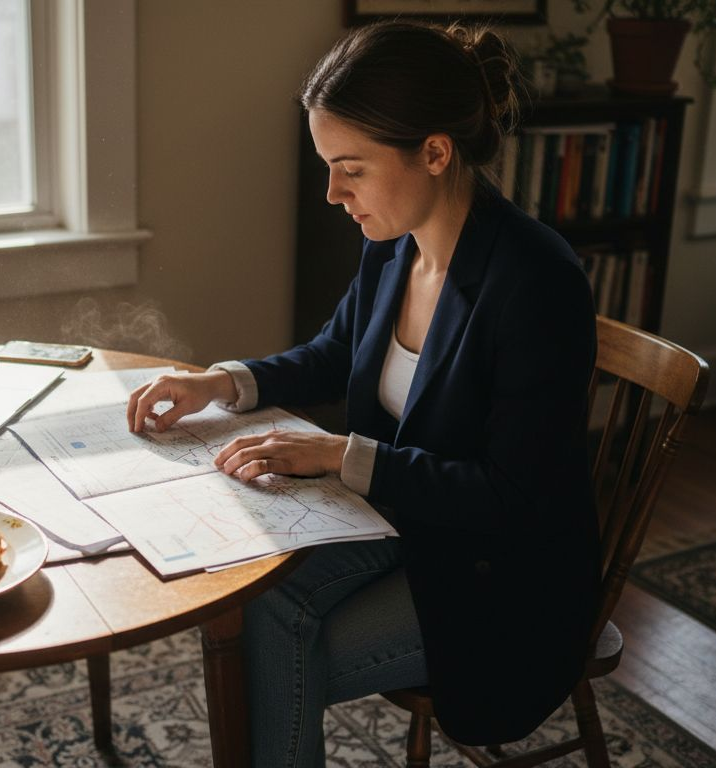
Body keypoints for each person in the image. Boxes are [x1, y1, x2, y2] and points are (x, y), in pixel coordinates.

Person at [125, 19, 600, 767]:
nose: (331, 192)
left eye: (351, 167)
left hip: (501, 575)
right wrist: (219, 382)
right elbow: (334, 353)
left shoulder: (536, 283)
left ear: (435, 152)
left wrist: (341, 455)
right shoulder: (393, 248)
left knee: (271, 652)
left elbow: (511, 497)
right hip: (408, 522)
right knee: (248, 593)